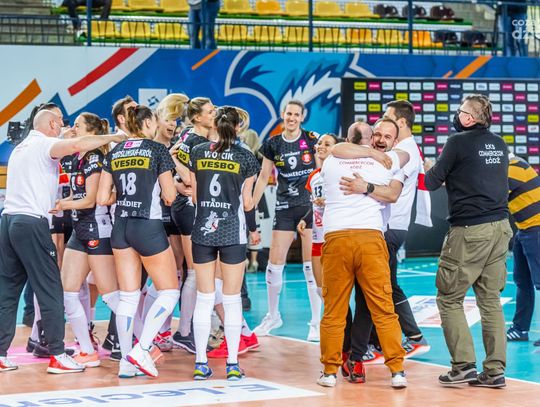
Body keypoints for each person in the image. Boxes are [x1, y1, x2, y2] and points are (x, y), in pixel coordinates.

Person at [0, 108, 125, 373]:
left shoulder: (22, 147)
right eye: (60, 123)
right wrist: (113, 136)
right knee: (51, 288)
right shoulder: (45, 144)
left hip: (8, 221)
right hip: (31, 223)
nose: (65, 128)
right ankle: (57, 354)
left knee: (8, 291)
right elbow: (78, 144)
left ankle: (0, 353)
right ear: (52, 124)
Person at [424, 94, 512, 388]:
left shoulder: (457, 142)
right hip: (501, 228)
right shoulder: (499, 144)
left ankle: (463, 366)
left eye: (460, 111)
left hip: (470, 229)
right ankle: (495, 371)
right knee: (490, 300)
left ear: (469, 118)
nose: (457, 115)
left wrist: (429, 166)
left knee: (449, 297)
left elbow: (431, 181)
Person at [317, 117, 409, 388]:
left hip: (337, 239)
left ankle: (329, 373)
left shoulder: (332, 161)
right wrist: (374, 155)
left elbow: (337, 149)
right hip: (370, 239)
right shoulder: (385, 162)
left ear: (348, 139)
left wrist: (366, 154)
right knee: (384, 309)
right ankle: (397, 371)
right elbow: (404, 156)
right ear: (370, 140)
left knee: (333, 311)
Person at [97, 105, 179, 378]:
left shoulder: (115, 152)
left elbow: (102, 198)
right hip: (147, 225)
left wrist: (122, 197)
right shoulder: (157, 150)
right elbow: (170, 196)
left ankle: (125, 362)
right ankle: (142, 348)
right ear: (147, 123)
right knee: (169, 291)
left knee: (128, 297)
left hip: (120, 226)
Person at [347, 100, 430, 358]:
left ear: (401, 122)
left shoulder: (403, 151)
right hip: (388, 224)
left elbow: (387, 190)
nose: (381, 131)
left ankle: (412, 337)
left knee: (382, 287)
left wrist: (363, 183)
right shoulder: (405, 148)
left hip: (390, 226)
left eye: (388, 117)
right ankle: (378, 342)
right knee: (380, 286)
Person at [189, 106, 260, 381]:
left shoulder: (198, 151)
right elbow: (248, 202)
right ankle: (232, 364)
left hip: (203, 230)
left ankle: (200, 363)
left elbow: (195, 197)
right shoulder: (246, 157)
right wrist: (253, 228)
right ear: (238, 127)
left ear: (215, 126)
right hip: (232, 232)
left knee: (204, 297)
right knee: (231, 299)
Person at [50, 113, 119, 368]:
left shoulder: (95, 158)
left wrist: (62, 205)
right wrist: (63, 202)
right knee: (68, 292)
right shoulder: (78, 158)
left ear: (90, 132)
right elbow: (77, 195)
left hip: (98, 231)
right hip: (80, 231)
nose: (73, 128)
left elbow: (91, 200)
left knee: (111, 296)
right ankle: (87, 350)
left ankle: (142, 345)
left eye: (77, 125)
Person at [252, 99, 321, 341]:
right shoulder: (273, 144)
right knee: (274, 264)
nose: (291, 118)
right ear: (283, 114)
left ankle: (316, 322)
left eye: (296, 114)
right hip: (284, 206)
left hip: (308, 206)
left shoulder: (312, 140)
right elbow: (263, 176)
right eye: (288, 113)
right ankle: (273, 316)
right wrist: (251, 204)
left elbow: (321, 172)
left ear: (302, 116)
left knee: (310, 266)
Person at [142, 93, 189, 352]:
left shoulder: (178, 146)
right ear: (157, 119)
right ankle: (146, 330)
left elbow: (182, 181)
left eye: (177, 121)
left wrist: (179, 184)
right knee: (154, 276)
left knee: (176, 271)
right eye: (169, 119)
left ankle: (163, 330)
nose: (173, 125)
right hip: (151, 215)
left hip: (174, 213)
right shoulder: (151, 146)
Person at [169, 97, 216, 353]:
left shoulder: (187, 134)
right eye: (210, 111)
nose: (214, 114)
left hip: (181, 206)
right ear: (197, 117)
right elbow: (188, 178)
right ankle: (184, 332)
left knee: (184, 271)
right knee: (195, 272)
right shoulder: (198, 141)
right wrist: (176, 166)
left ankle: (181, 329)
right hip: (189, 207)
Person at [102, 94, 138, 361]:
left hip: (135, 221)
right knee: (126, 287)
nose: (139, 113)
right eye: (132, 110)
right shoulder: (115, 146)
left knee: (132, 287)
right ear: (122, 118)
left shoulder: (138, 142)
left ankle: (115, 337)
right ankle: (120, 341)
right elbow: (105, 194)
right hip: (120, 221)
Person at [297, 133, 340, 341]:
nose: (321, 146)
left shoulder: (340, 171)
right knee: (320, 287)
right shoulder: (313, 176)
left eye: (327, 144)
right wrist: (305, 218)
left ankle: (341, 331)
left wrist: (329, 201)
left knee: (336, 290)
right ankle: (328, 327)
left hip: (335, 236)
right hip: (317, 237)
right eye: (320, 143)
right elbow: (313, 203)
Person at [505, 153, 540, 344]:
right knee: (522, 280)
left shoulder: (515, 166)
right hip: (524, 229)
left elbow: (495, 195)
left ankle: (520, 328)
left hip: (536, 228)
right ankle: (520, 329)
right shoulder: (509, 165)